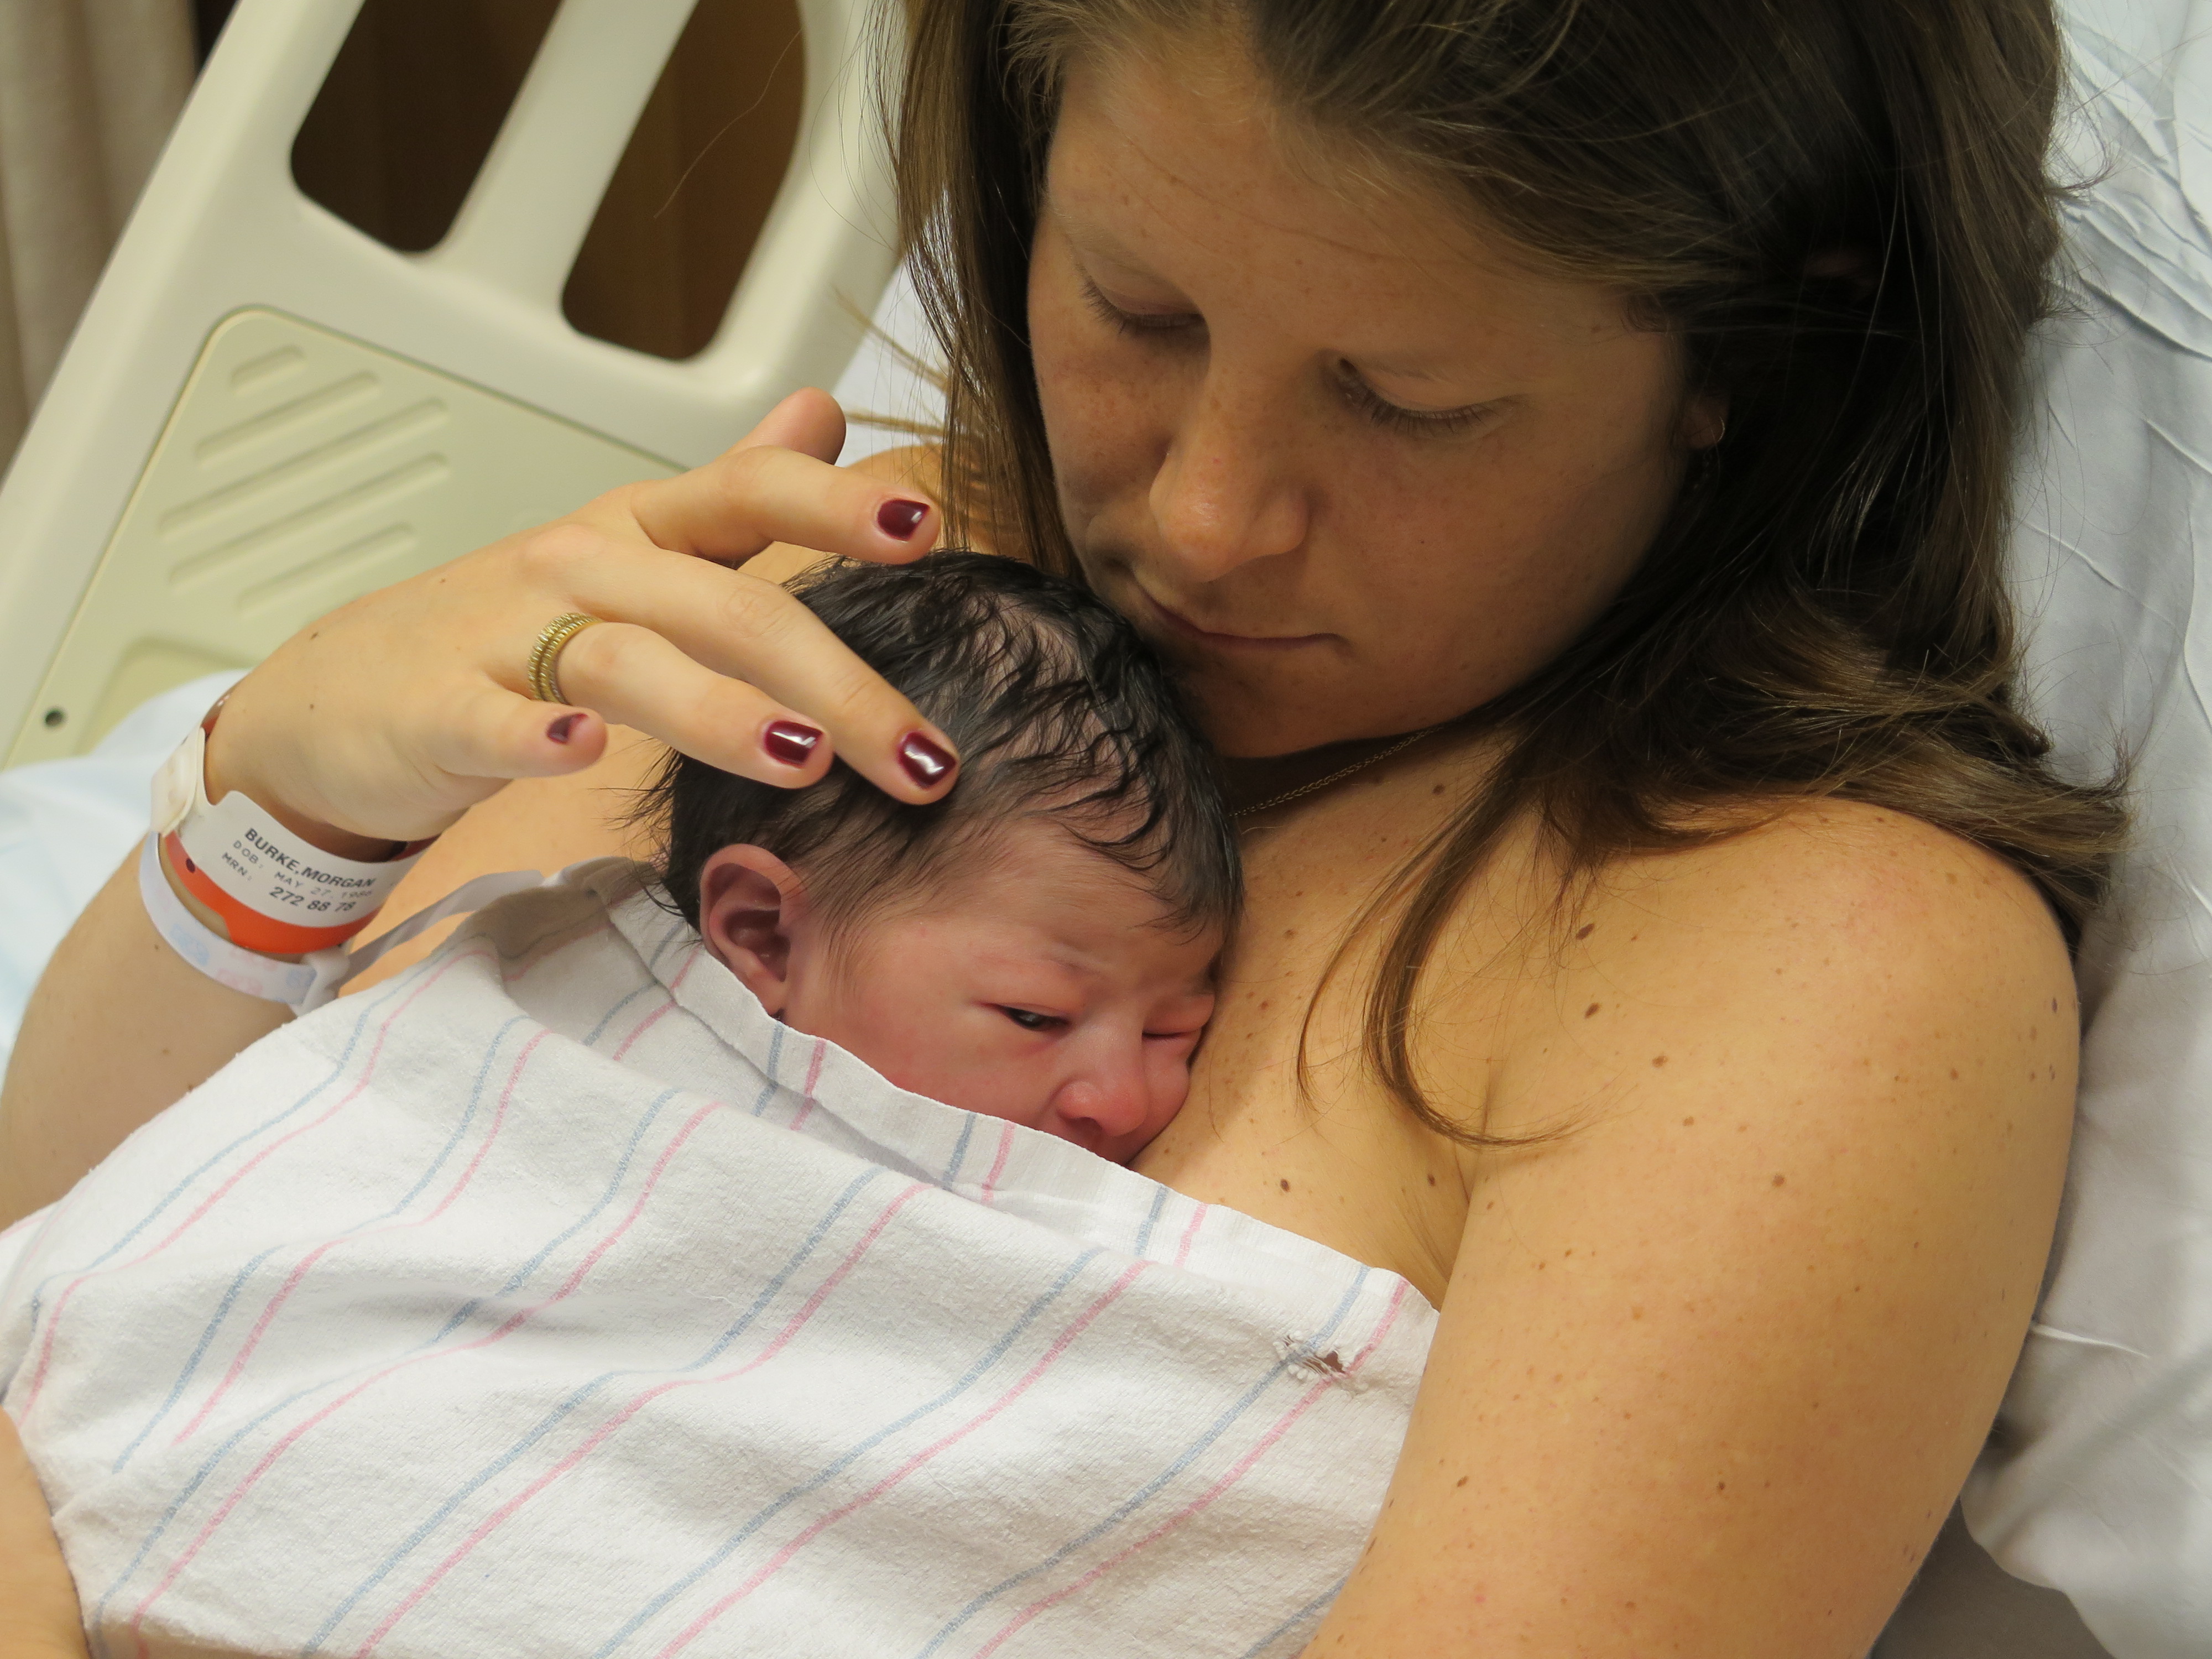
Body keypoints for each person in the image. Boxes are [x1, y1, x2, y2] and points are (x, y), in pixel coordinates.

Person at [0, 0, 2124, 1653]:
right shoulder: (882, 594)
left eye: (1405, 402)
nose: (1201, 517)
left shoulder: (1792, 958)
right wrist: (277, 799)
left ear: (1756, 346)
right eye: (1136, 308)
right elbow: (113, 1277)